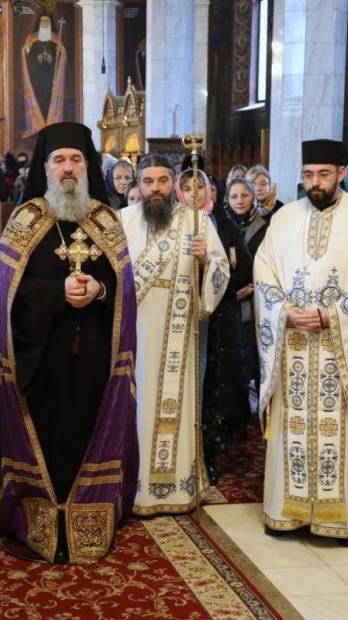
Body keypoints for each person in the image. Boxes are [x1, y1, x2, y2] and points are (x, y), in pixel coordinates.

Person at [0, 121, 138, 564]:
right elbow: (5, 296)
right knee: (44, 435)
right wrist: (57, 292)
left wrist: (98, 291)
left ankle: (88, 517)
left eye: (76, 160)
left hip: (94, 359)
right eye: (59, 160)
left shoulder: (106, 220)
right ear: (45, 167)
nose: (67, 168)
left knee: (86, 430)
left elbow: (124, 291)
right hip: (38, 359)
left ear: (87, 166)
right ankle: (39, 520)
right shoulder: (25, 220)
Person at [255, 139, 348, 546]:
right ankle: (288, 512)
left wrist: (334, 315)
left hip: (342, 347)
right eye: (309, 175)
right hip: (294, 346)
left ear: (341, 173)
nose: (315, 182)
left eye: (323, 174)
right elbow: (264, 269)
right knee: (292, 425)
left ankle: (345, 519)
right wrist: (284, 310)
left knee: (343, 428)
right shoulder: (284, 218)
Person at [121, 155, 229, 515]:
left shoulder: (197, 221)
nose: (156, 188)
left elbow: (221, 270)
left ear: (174, 184)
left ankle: (177, 486)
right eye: (148, 181)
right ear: (138, 185)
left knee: (177, 406)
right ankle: (133, 487)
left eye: (163, 181)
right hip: (134, 334)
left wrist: (205, 261)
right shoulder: (121, 221)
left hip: (178, 336)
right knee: (135, 406)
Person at [178, 169, 251, 483]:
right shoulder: (172, 223)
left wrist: (213, 273)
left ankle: (207, 453)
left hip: (220, 320)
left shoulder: (223, 222)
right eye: (186, 188)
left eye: (199, 187)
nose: (193, 193)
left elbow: (243, 266)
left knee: (213, 388)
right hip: (181, 318)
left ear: (210, 191)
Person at [224, 178, 268, 397]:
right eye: (234, 196)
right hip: (232, 300)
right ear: (227, 199)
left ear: (253, 197)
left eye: (245, 195)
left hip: (259, 300)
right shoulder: (221, 226)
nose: (239, 201)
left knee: (259, 358)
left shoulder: (266, 227)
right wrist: (234, 290)